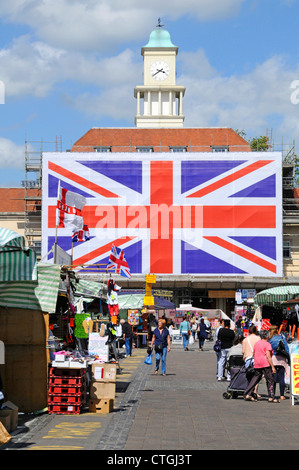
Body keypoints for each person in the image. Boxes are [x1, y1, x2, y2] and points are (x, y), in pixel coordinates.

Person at [244, 330, 277, 402]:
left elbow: (254, 353)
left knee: (255, 379)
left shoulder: (257, 344)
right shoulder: (267, 344)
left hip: (257, 363)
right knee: (270, 379)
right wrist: (273, 367)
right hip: (265, 363)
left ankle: (247, 393)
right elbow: (268, 356)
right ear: (267, 337)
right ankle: (271, 396)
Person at [268, 325, 290, 400]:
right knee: (281, 377)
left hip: (273, 359)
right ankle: (282, 395)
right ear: (277, 330)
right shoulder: (281, 338)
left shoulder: (270, 339)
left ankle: (272, 394)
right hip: (281, 360)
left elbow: (269, 351)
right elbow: (286, 349)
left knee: (273, 378)